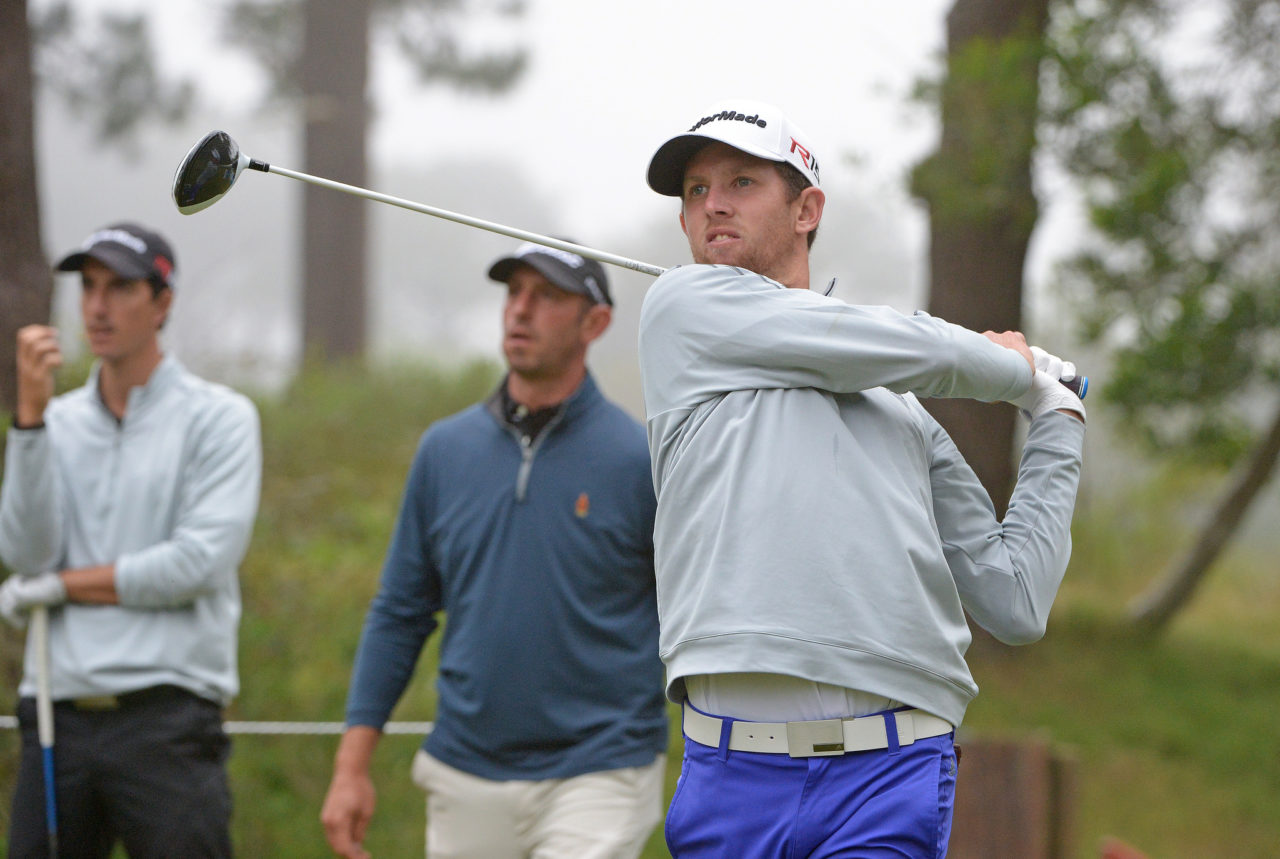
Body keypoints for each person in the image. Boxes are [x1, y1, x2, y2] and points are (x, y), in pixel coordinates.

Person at [636, 99, 1087, 857]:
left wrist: (1058, 417)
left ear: (807, 208)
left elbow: (1014, 598)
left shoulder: (904, 414)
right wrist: (1015, 368)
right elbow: (881, 341)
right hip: (732, 772)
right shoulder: (680, 311)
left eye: (741, 182)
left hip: (891, 773)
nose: (711, 203)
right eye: (695, 190)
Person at [320, 242, 667, 859]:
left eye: (548, 296)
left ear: (596, 323)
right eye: (514, 293)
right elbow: (401, 613)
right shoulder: (444, 451)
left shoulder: (639, 460)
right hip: (465, 770)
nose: (521, 311)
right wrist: (351, 769)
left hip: (600, 769)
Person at [0, 222, 262, 858]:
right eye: (88, 287)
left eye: (119, 288)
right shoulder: (54, 424)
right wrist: (29, 423)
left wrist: (58, 588)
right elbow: (24, 553)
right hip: (57, 715)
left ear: (162, 302)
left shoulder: (220, 419)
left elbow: (196, 564)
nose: (97, 305)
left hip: (167, 718)